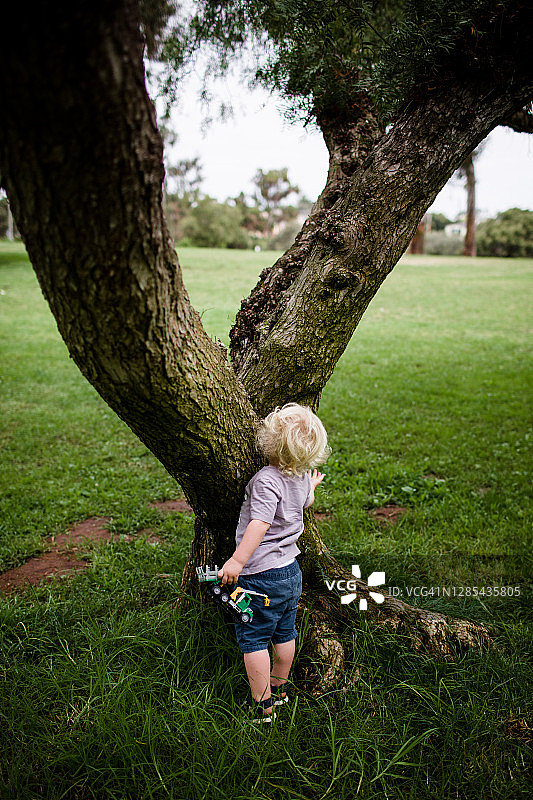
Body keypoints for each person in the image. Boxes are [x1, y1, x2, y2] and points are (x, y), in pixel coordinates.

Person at [218, 402, 330, 723]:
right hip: (290, 574)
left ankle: (261, 706)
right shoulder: (298, 479)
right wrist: (311, 487)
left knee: (253, 638)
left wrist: (238, 561)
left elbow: (259, 523)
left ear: (270, 441)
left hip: (260, 576)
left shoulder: (267, 479)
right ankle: (280, 692)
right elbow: (304, 501)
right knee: (284, 633)